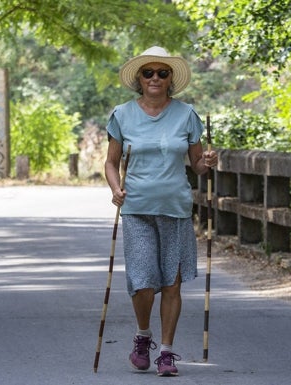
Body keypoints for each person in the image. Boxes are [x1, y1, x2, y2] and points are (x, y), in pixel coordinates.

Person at [104, 46, 217, 377]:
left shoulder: (187, 115)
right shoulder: (122, 115)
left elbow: (197, 166)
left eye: (162, 73)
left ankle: (166, 353)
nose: (155, 78)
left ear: (171, 79)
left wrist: (207, 163)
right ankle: (143, 336)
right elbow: (111, 162)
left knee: (171, 283)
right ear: (139, 78)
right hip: (136, 207)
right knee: (142, 282)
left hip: (176, 208)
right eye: (148, 73)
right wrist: (115, 188)